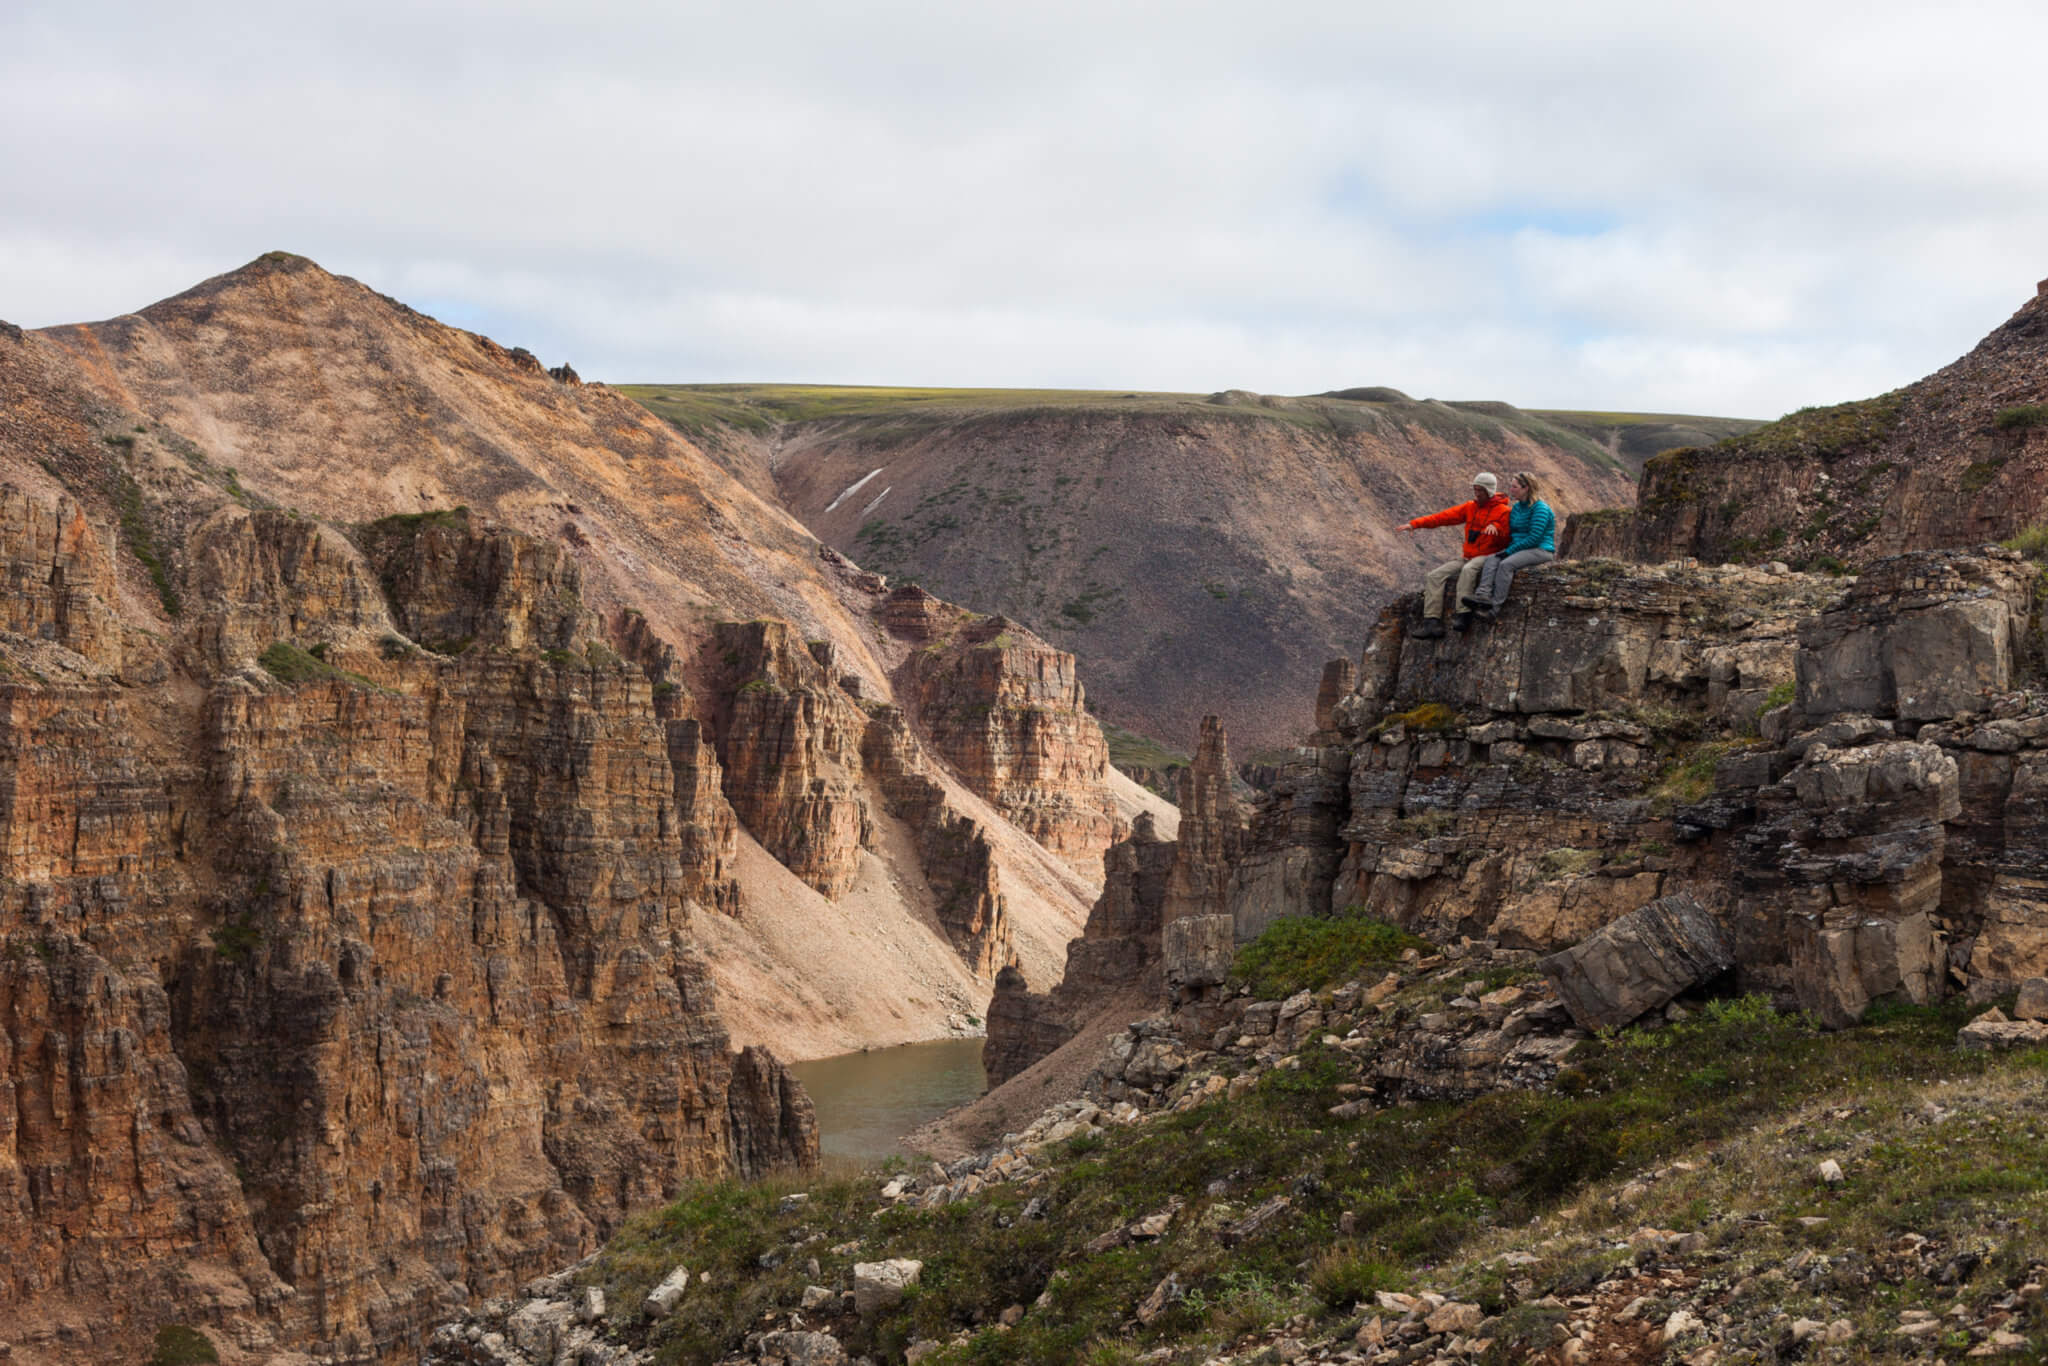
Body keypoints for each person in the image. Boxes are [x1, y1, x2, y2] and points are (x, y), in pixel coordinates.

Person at [1399, 473, 1511, 637]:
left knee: (1468, 570)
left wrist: (1497, 529)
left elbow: (1509, 537)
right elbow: (1442, 518)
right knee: (1434, 576)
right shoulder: (1469, 507)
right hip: (1468, 555)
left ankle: (1463, 615)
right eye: (1475, 489)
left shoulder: (1503, 512)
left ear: (1489, 491)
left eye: (1480, 490)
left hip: (1488, 555)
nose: (1477, 494)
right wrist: (1414, 524)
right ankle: (1432, 622)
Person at [1463, 470, 1555, 621]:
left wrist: (1509, 551)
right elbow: (1508, 529)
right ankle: (1482, 596)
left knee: (1506, 564)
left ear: (1526, 488)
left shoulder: (1540, 509)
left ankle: (1494, 609)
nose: (1511, 490)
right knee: (1492, 559)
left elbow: (1534, 537)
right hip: (1519, 547)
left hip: (1540, 549)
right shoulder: (1517, 508)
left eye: (1515, 487)